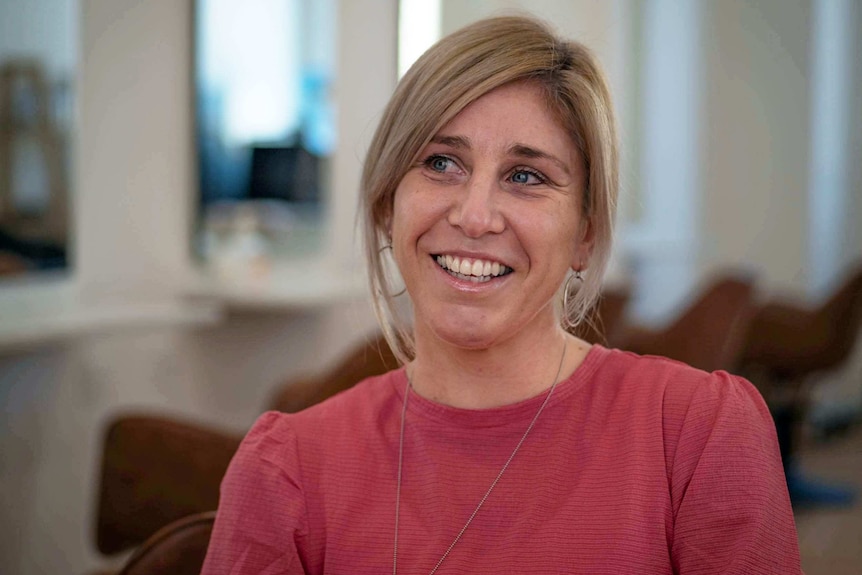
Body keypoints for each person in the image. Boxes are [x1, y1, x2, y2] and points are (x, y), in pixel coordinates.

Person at [201, 15, 801, 574]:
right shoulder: (286, 470)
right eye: (441, 163)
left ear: (584, 237)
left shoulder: (698, 434)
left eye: (526, 176)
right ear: (389, 206)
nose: (475, 215)